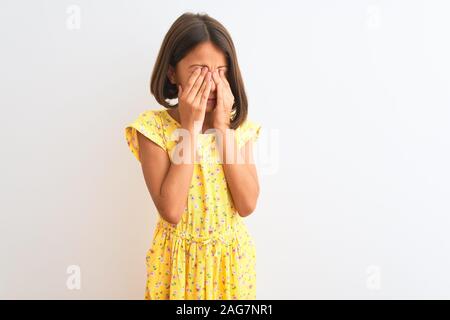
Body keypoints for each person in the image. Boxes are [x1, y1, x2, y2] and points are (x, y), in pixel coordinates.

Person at [124, 12, 262, 300]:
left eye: (221, 72)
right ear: (172, 73)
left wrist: (223, 128)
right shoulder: (153, 129)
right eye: (199, 71)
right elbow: (171, 210)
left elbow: (247, 204)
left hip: (230, 266)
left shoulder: (239, 129)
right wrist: (191, 127)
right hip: (176, 267)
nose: (211, 83)